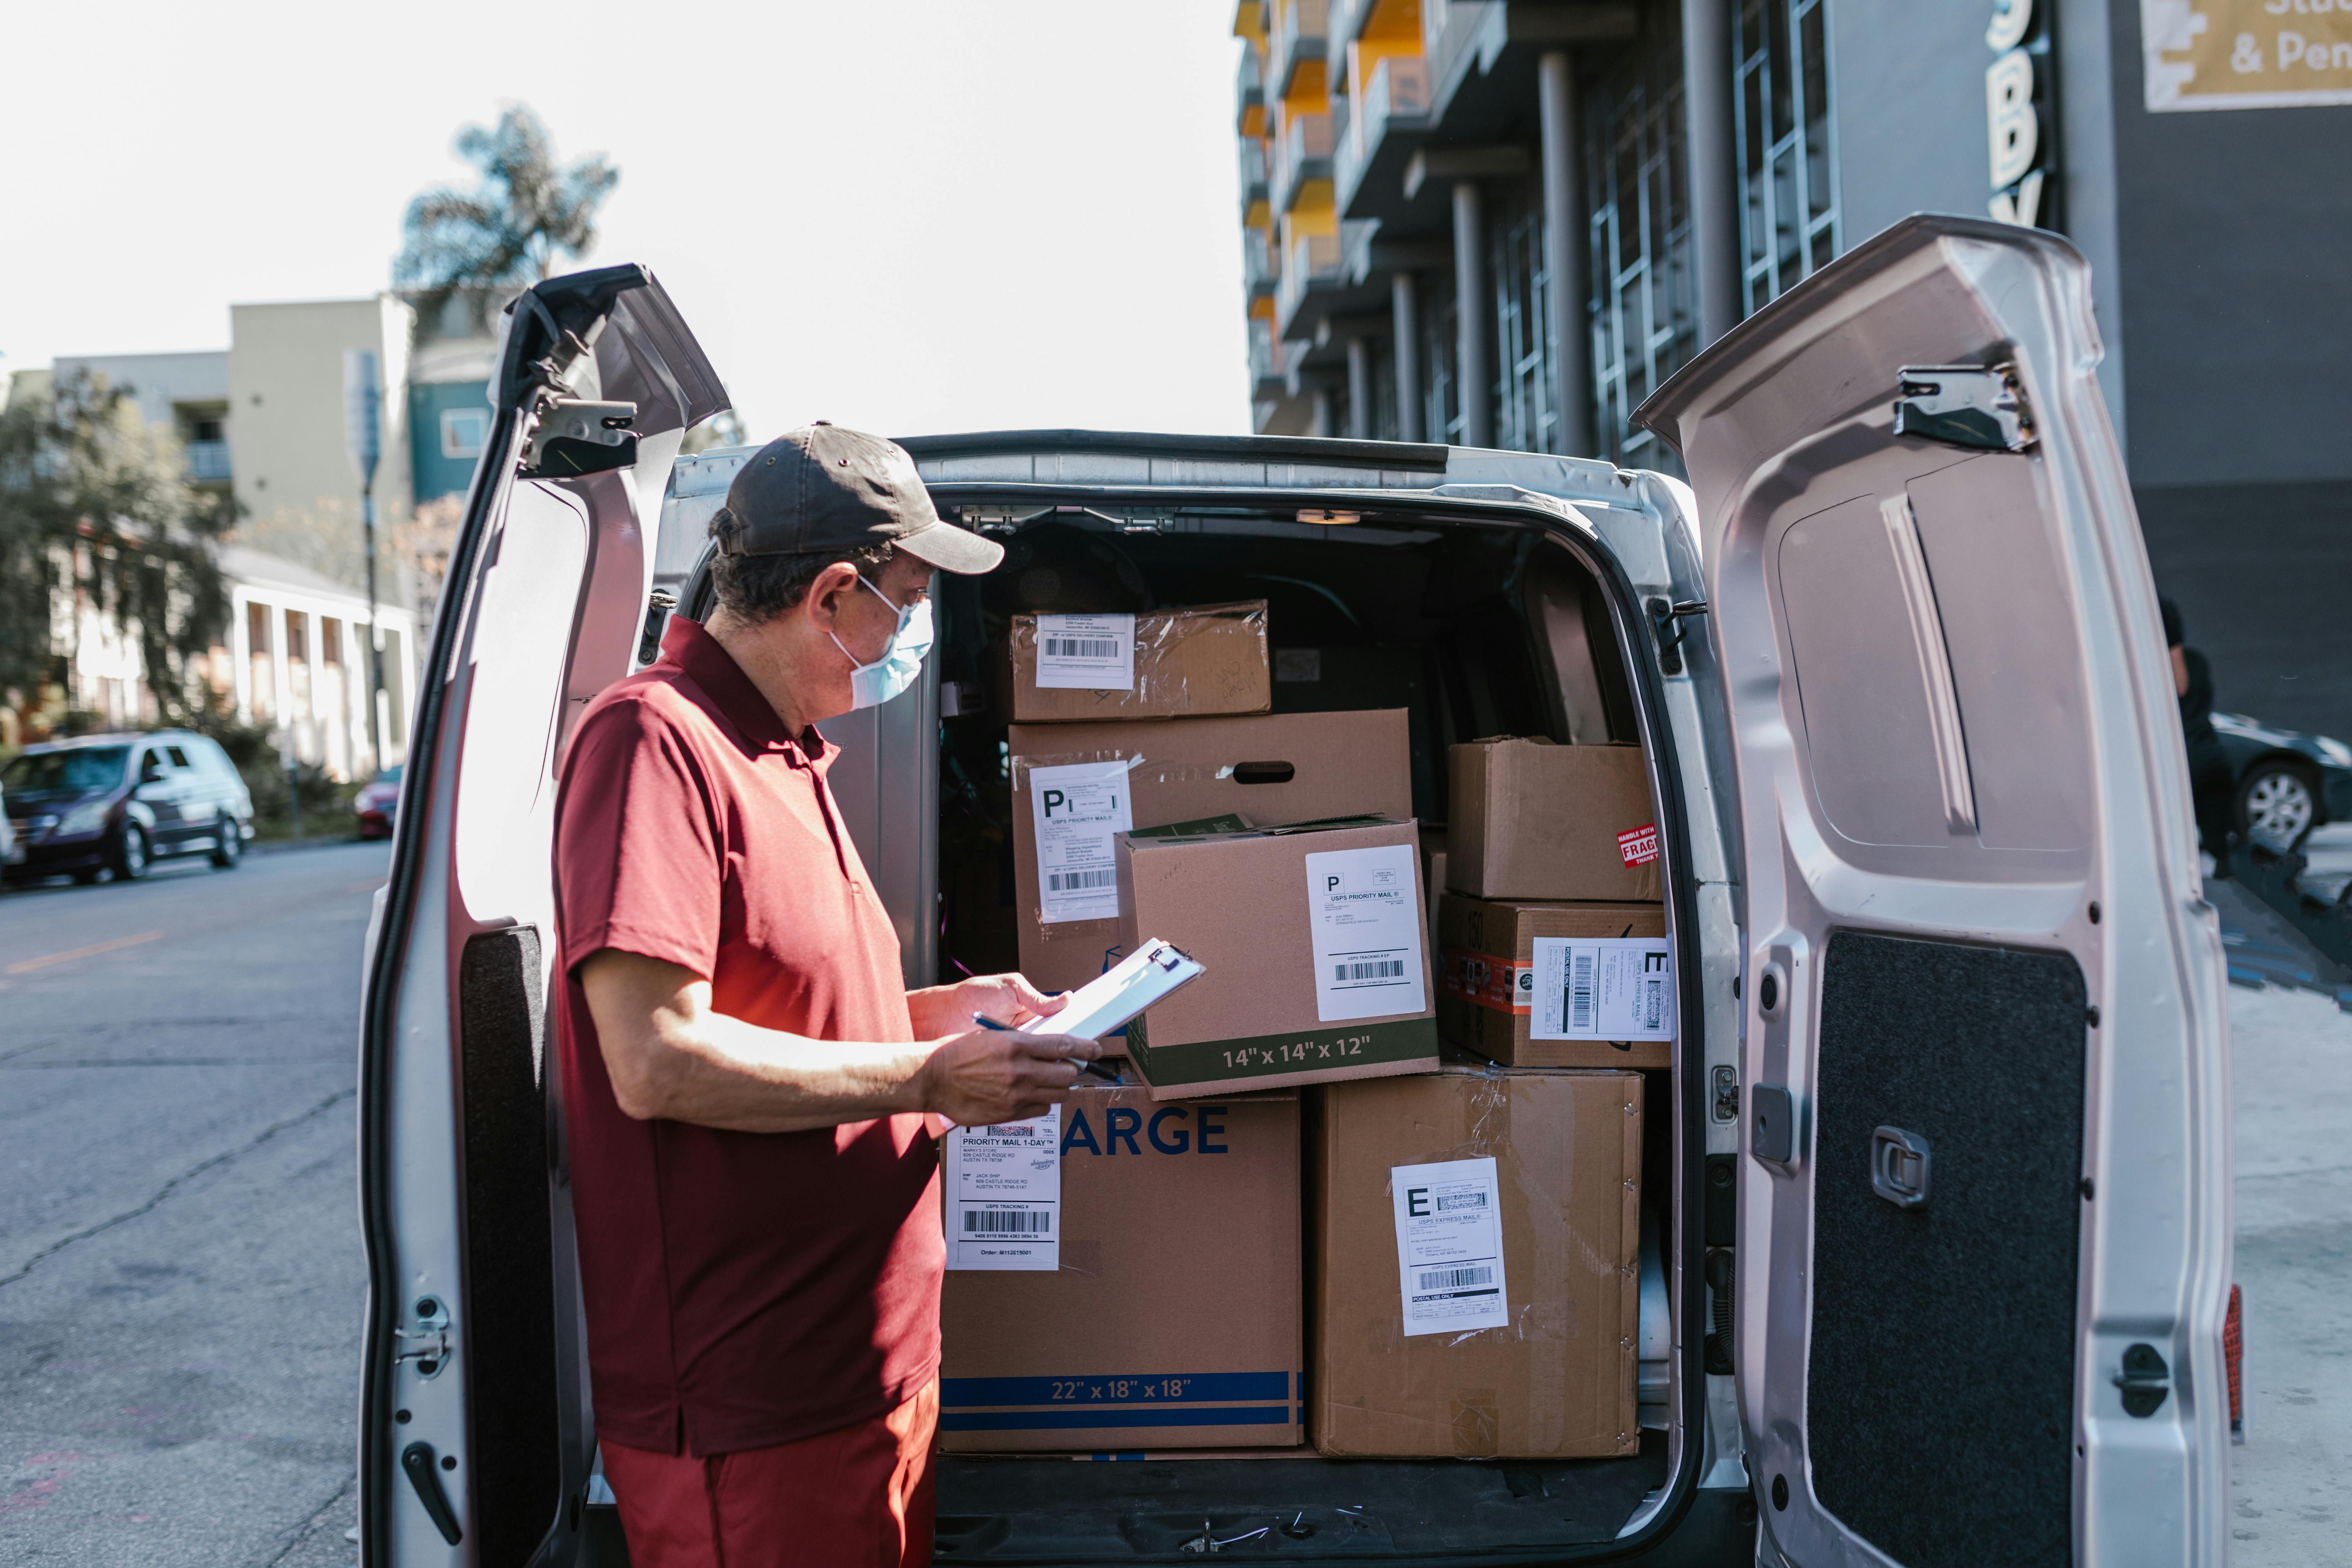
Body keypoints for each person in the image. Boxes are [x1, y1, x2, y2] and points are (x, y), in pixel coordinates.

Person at [552, 422, 1095, 1568]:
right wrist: (928, 1073)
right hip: (756, 1417)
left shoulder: (783, 755)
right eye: (905, 601)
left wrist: (941, 1016)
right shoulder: (655, 738)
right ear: (834, 591)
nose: (909, 634)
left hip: (863, 1383)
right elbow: (655, 1055)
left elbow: (786, 1023)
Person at [2162, 596, 2236, 876]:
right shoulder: (2197, 661)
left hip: (2179, 763)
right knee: (2219, 841)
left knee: (2172, 839)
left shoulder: (2145, 667)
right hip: (2209, 756)